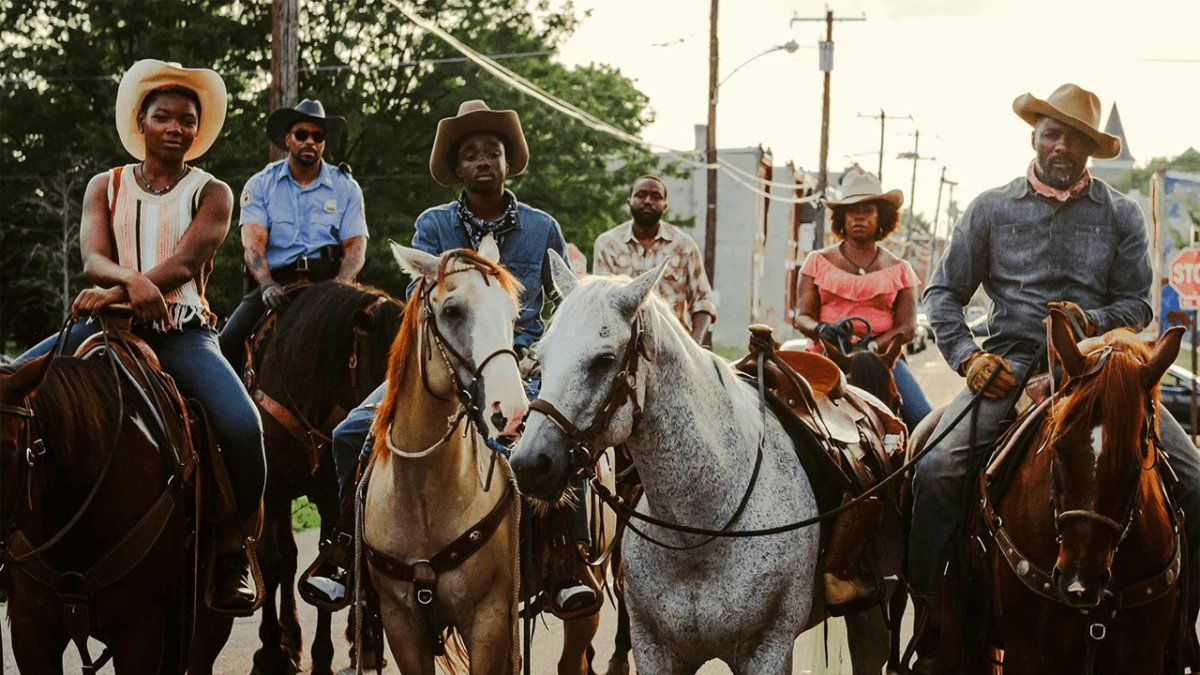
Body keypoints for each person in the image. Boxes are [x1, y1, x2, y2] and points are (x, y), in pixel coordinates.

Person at [911, 82, 1200, 669]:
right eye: (1053, 133)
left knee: (1194, 478)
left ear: (1092, 149)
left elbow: (1137, 306)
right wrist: (969, 357)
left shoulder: (1120, 214)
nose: (1062, 146)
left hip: (1100, 368)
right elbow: (942, 293)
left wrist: (1088, 321)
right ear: (1034, 136)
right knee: (936, 469)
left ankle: (1183, 624)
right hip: (1008, 367)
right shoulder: (991, 208)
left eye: (1077, 138)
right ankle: (933, 615)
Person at [302, 100, 596, 613]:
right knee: (351, 433)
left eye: (493, 151)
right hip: (442, 362)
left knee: (561, 441)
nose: (483, 160)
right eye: (471, 154)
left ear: (508, 163)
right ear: (457, 168)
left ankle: (567, 559)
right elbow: (420, 301)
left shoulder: (541, 227)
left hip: (517, 361)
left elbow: (564, 300)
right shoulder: (433, 227)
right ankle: (343, 550)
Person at [15, 59, 264, 612]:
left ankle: (232, 550)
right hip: (99, 322)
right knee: (10, 392)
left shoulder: (215, 192)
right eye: (165, 117)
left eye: (188, 120)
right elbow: (92, 257)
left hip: (180, 332)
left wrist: (124, 290)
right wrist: (124, 287)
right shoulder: (105, 185)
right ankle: (14, 537)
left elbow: (184, 263)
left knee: (244, 428)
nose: (177, 128)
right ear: (142, 122)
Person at [217, 99, 367, 370]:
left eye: (317, 136)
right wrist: (266, 283)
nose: (309, 141)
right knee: (226, 344)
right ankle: (223, 410)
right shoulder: (261, 184)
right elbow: (253, 245)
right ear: (288, 139)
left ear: (324, 143)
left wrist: (341, 285)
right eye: (302, 134)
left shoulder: (346, 187)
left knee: (374, 341)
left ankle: (378, 411)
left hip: (329, 281)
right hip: (277, 284)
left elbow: (355, 247)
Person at [794, 167, 932, 429]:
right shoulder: (817, 262)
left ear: (882, 216)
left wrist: (870, 348)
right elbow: (802, 316)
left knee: (925, 421)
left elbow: (908, 327)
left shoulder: (900, 269)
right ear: (842, 218)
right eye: (851, 211)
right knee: (788, 420)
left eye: (867, 210)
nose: (859, 217)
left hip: (882, 361)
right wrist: (822, 329)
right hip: (825, 354)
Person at [592, 175, 717, 342]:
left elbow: (703, 302)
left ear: (665, 206)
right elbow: (602, 302)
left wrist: (694, 344)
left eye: (656, 197)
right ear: (629, 202)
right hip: (623, 345)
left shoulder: (684, 245)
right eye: (641, 195)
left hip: (673, 345)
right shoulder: (608, 244)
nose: (648, 201)